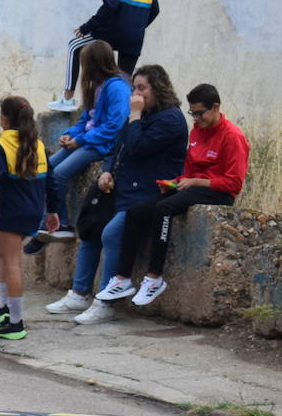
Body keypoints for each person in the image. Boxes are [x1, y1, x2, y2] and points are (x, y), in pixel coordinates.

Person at [46, 64, 187, 324]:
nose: (136, 93)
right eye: (135, 88)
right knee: (90, 228)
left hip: (144, 193)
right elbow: (118, 145)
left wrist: (134, 115)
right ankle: (79, 293)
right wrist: (107, 170)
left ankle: (106, 302)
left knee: (112, 233)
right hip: (119, 186)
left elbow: (137, 147)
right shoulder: (141, 114)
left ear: (158, 88)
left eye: (142, 88)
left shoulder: (170, 119)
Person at [98, 82, 249, 308]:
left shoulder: (232, 136)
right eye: (192, 113)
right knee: (136, 212)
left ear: (216, 107)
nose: (196, 119)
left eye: (200, 113)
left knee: (164, 209)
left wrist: (195, 181)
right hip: (191, 187)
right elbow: (189, 170)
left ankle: (154, 277)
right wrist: (174, 184)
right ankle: (122, 278)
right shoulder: (197, 132)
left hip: (216, 193)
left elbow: (234, 183)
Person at [25, 40, 130, 255]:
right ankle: (46, 221)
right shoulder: (97, 86)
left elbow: (115, 126)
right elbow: (85, 119)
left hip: (102, 144)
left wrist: (81, 141)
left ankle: (61, 223)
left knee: (59, 175)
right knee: (44, 170)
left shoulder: (117, 87)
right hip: (87, 138)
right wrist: (70, 135)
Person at [0, 96, 56, 340]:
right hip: (33, 210)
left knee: (12, 264)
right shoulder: (38, 145)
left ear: (5, 119)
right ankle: (4, 309)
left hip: (13, 210)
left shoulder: (2, 146)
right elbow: (52, 181)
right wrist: (53, 210)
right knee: (5, 257)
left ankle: (16, 322)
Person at [48, 0, 160, 113]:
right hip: (135, 37)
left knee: (74, 46)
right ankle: (123, 117)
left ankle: (67, 99)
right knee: (124, 82)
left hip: (113, 32)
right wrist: (136, 26)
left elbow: (110, 6)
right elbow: (155, 9)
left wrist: (86, 27)